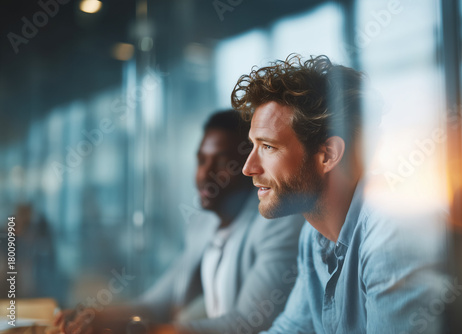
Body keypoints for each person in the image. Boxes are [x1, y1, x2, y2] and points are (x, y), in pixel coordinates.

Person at [231, 55, 447, 334]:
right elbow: (293, 328)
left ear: (327, 155)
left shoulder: (392, 232)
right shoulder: (314, 235)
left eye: (268, 147)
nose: (248, 168)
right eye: (253, 145)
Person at [53, 110, 304, 334]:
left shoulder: (277, 223)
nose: (205, 174)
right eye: (201, 160)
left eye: (222, 162)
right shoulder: (203, 225)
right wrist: (95, 317)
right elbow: (156, 304)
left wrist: (138, 330)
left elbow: (246, 324)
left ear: (249, 165)